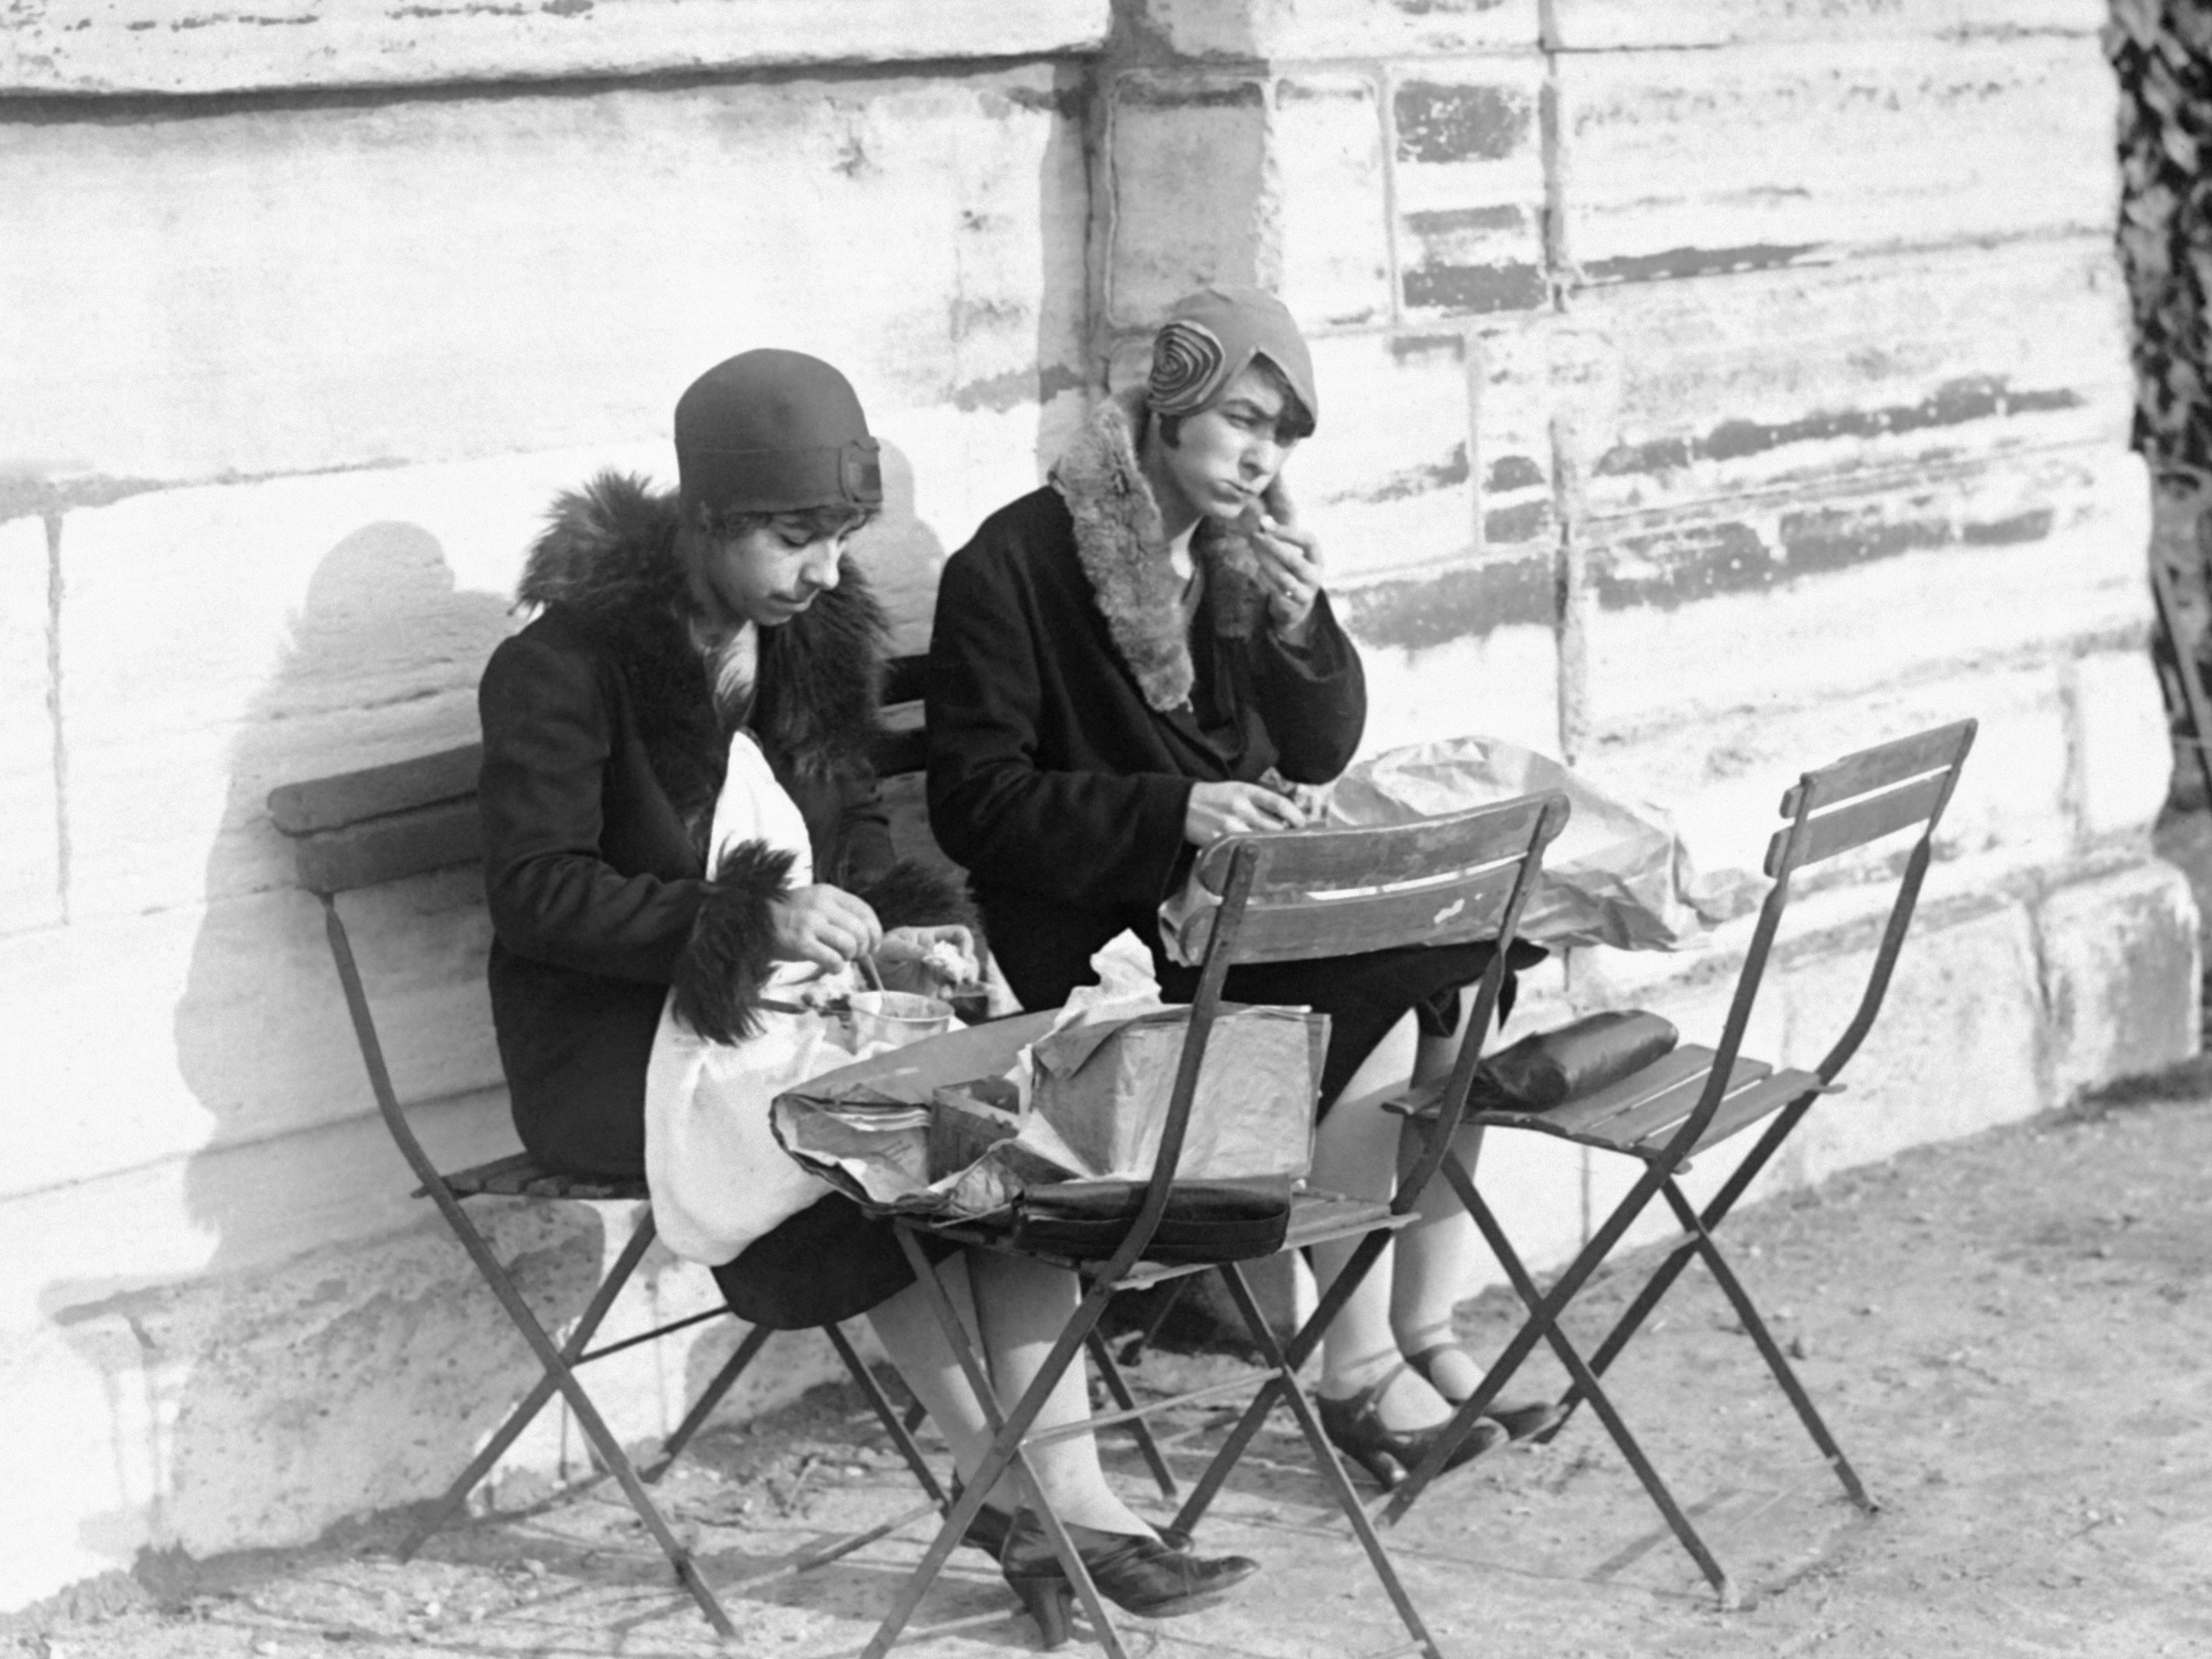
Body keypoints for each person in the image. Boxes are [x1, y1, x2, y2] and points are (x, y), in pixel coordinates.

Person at [476, 349, 1255, 1639]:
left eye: (840, 537)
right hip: (615, 1047)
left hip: (782, 1028)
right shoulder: (567, 665)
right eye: (796, 537)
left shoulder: (800, 644)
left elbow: (856, 854)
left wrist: (902, 935)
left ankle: (1065, 1499)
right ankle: (1037, 1515)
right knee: (880, 1131)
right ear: (704, 517)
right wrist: (748, 921)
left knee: (981, 1106)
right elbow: (539, 895)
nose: (827, 571)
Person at [925, 287, 1553, 1487]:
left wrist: (1304, 629)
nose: (1261, 456)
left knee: (1464, 976)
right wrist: (1178, 810)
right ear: (1167, 404)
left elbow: (1315, 748)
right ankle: (1359, 1368)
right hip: (1096, 939)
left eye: (1282, 434)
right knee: (1380, 1000)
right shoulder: (1014, 563)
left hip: (1229, 915)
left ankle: (1422, 1332)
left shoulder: (1233, 548)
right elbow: (977, 802)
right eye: (1242, 419)